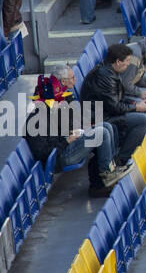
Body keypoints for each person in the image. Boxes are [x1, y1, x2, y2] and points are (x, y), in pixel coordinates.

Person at [25, 66, 125, 198]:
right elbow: (43, 153)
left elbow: (65, 128)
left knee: (106, 126)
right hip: (60, 158)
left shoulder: (53, 113)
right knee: (101, 133)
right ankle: (106, 174)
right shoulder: (35, 122)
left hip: (67, 145)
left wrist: (77, 130)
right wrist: (66, 141)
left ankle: (111, 168)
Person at [81, 43, 146, 168]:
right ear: (118, 61)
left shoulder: (110, 71)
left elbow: (116, 97)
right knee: (143, 120)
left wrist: (134, 103)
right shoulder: (105, 77)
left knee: (142, 113)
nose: (129, 64)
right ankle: (121, 160)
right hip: (99, 118)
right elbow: (114, 107)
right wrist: (136, 107)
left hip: (106, 112)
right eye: (127, 61)